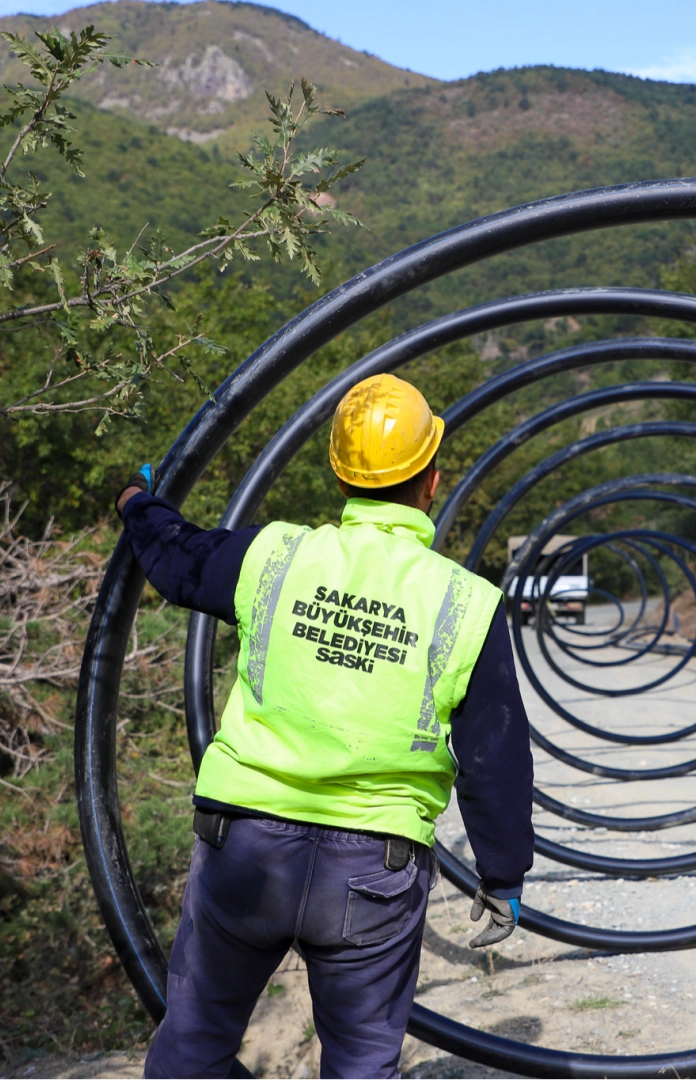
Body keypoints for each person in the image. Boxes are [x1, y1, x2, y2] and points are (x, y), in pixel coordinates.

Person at [115, 374, 534, 1080]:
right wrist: (502, 874)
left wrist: (136, 503)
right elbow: (494, 753)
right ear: (432, 482)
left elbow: (178, 559)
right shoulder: (467, 602)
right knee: (362, 1068)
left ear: (340, 477)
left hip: (246, 847)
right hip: (374, 869)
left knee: (190, 1053)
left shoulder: (276, 555)